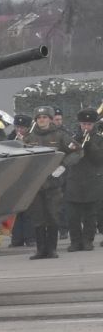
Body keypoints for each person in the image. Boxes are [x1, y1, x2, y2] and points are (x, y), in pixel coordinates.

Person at [27, 106, 68, 258]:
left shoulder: (60, 135)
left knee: (52, 216)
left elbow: (77, 151)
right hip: (35, 184)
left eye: (44, 117)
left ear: (50, 119)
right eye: (39, 118)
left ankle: (51, 249)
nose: (41, 120)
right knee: (38, 218)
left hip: (53, 184)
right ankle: (40, 250)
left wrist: (63, 166)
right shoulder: (29, 138)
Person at [64, 108, 103, 252]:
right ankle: (75, 242)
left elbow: (99, 160)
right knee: (73, 216)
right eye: (83, 124)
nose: (86, 127)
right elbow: (66, 155)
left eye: (89, 124)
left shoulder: (99, 138)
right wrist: (76, 144)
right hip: (74, 181)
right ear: (79, 124)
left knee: (90, 216)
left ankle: (87, 241)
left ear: (94, 125)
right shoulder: (73, 136)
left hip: (92, 181)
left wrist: (90, 145)